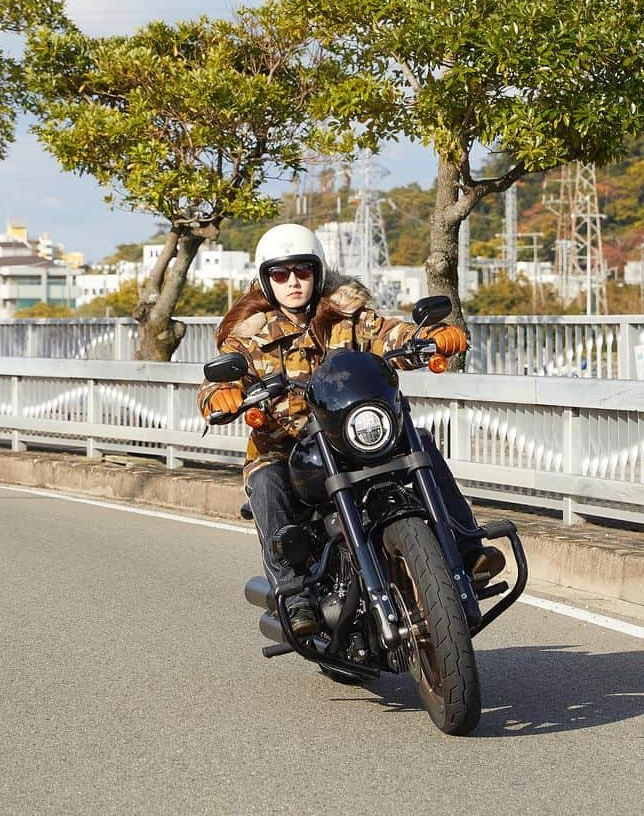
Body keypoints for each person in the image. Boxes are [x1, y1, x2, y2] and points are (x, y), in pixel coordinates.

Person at [197, 223, 504, 637]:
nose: (293, 282)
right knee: (266, 478)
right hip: (288, 450)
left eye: (302, 271)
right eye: (280, 274)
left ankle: (468, 548)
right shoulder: (248, 335)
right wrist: (221, 394)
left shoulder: (346, 314)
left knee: (422, 443)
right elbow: (217, 378)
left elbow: (388, 333)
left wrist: (427, 337)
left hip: (353, 436)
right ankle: (294, 594)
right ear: (266, 280)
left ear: (318, 271)